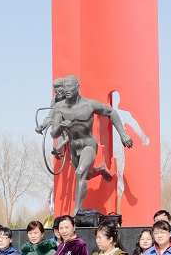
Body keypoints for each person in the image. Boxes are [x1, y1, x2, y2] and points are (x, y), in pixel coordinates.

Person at [49, 75, 133, 216]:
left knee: (80, 173)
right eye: (65, 87)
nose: (66, 90)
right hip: (74, 148)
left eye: (69, 86)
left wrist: (122, 134)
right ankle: (100, 169)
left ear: (77, 87)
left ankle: (76, 211)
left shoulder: (89, 105)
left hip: (88, 145)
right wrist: (60, 127)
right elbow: (53, 133)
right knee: (86, 176)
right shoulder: (59, 107)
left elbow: (111, 112)